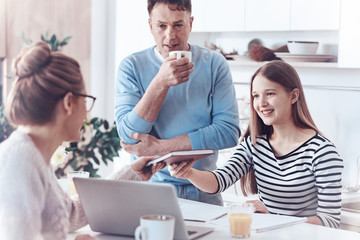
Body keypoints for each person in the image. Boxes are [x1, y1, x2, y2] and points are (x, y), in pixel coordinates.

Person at [0, 42, 165, 240]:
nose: (87, 113)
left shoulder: (34, 156)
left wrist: (131, 174)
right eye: (86, 101)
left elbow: (70, 215)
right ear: (69, 103)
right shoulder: (20, 163)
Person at [169, 60, 344, 228]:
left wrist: (276, 218)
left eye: (270, 93)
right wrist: (188, 173)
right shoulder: (255, 145)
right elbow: (219, 181)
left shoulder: (321, 152)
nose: (261, 103)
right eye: (256, 96)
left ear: (293, 96)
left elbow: (329, 221)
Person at [115, 0, 240, 206]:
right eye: (162, 26)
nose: (170, 36)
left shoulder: (215, 64)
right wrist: (160, 83)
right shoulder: (132, 66)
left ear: (190, 23)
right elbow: (129, 137)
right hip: (150, 191)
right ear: (150, 26)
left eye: (178, 25)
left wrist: (160, 148)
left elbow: (228, 132)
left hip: (204, 190)